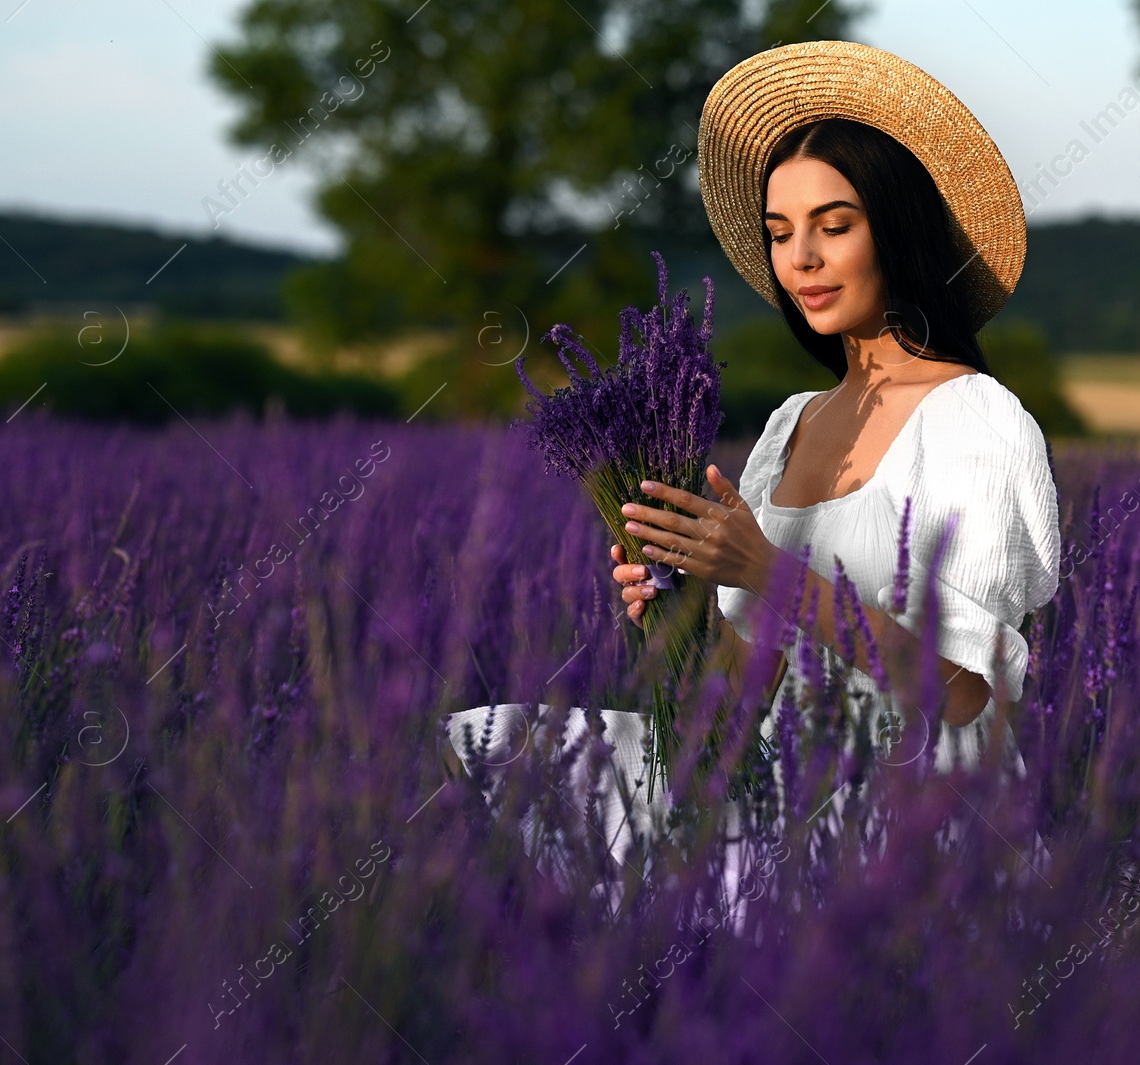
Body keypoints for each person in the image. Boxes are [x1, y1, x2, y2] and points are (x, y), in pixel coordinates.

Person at [447, 41, 1059, 894]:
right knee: (489, 741)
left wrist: (768, 572)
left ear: (901, 231)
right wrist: (682, 603)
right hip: (777, 775)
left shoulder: (978, 421)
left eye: (833, 225)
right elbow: (743, 692)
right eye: (780, 233)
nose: (800, 257)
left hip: (910, 805)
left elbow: (961, 700)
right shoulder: (791, 423)